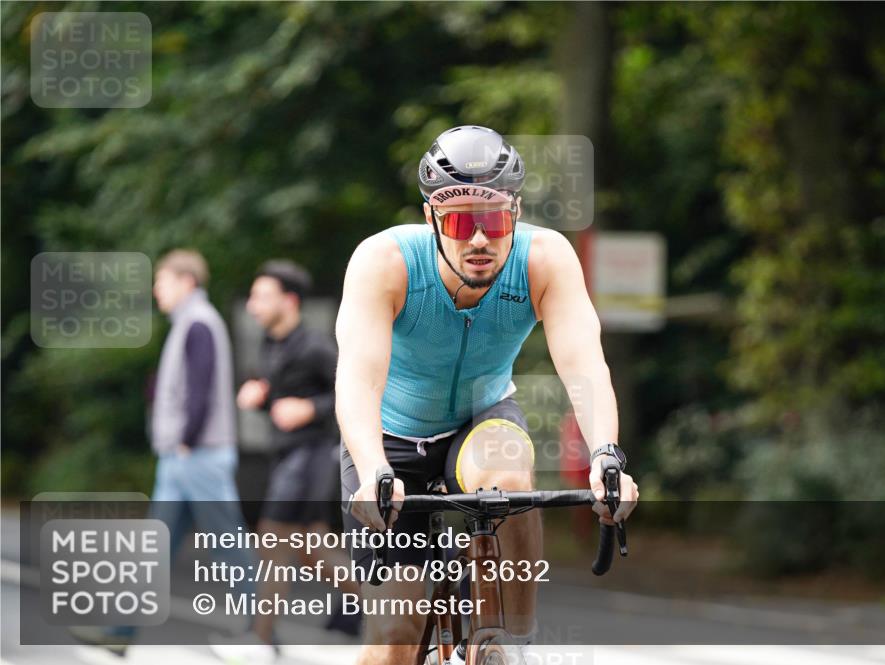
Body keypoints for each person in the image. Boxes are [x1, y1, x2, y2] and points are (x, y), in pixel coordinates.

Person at [336, 125, 639, 664]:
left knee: (511, 479)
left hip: (482, 418)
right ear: (431, 217)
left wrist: (605, 456)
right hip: (388, 438)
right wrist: (372, 469)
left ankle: (511, 643)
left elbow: (584, 365)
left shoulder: (545, 258)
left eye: (495, 219)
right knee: (395, 640)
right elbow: (359, 380)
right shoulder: (384, 262)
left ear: (516, 213)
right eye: (459, 221)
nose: (479, 239)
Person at [71, 249, 255, 655]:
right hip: (183, 458)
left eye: (163, 280)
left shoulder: (199, 323)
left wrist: (187, 437)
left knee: (229, 544)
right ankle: (119, 632)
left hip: (197, 456)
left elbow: (202, 386)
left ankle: (261, 632)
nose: (157, 289)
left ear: (187, 281)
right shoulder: (188, 323)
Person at [211, 260, 360, 664]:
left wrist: (311, 408)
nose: (255, 305)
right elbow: (281, 405)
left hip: (311, 456)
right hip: (287, 455)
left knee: (272, 541)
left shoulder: (314, 346)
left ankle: (261, 641)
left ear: (289, 300)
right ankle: (392, 603)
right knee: (311, 551)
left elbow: (353, 392)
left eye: (263, 296)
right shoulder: (270, 344)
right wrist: (262, 399)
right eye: (254, 297)